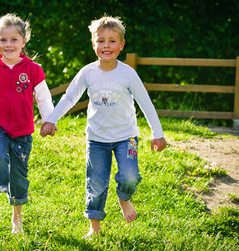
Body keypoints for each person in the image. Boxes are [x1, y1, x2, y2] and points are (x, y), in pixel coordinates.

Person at [40, 15, 167, 237]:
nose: (106, 45)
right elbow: (70, 98)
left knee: (130, 176)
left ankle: (124, 197)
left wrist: (158, 134)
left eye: (112, 41)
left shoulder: (128, 73)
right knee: (96, 183)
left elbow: (145, 103)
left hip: (127, 137)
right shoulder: (87, 72)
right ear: (93, 44)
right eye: (101, 41)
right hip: (96, 139)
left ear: (121, 45)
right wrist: (51, 119)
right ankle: (94, 228)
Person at [0, 13, 54, 234]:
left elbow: (44, 98)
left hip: (23, 132)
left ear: (24, 42)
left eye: (14, 39)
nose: (8, 44)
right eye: (3, 40)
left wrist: (48, 120)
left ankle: (17, 218)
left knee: (18, 175)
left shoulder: (33, 69)